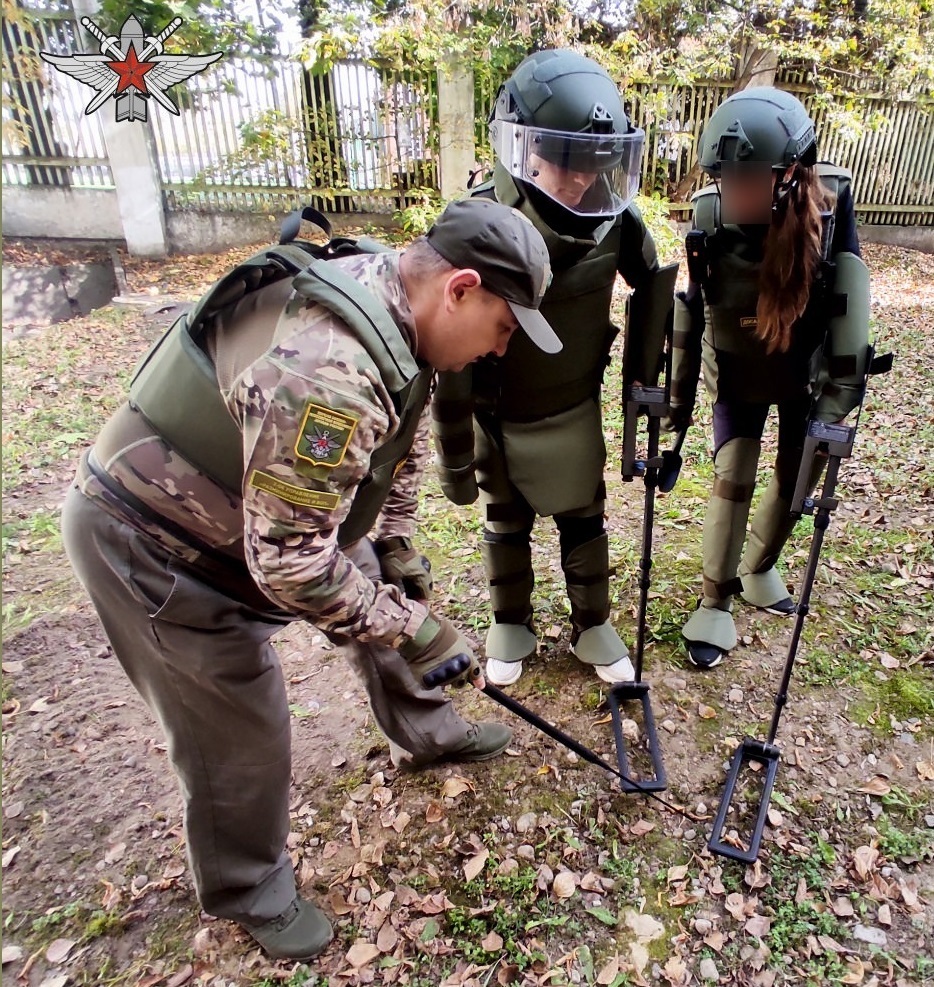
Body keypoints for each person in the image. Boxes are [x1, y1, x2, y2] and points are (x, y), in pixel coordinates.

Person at [60, 198, 561, 962]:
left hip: (262, 505)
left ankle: (428, 729)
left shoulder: (396, 301)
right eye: (503, 326)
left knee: (378, 589)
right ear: (460, 288)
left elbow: (394, 443)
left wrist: (394, 548)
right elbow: (289, 563)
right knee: (240, 719)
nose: (500, 350)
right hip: (154, 540)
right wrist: (415, 628)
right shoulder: (329, 370)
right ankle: (248, 885)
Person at [431, 49, 676, 687]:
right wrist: (453, 454)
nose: (574, 178)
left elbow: (651, 288)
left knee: (583, 514)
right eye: (562, 159)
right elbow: (447, 350)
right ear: (522, 147)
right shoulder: (479, 222)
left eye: (591, 162)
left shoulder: (617, 221)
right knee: (504, 515)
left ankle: (592, 621)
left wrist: (646, 398)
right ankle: (510, 618)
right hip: (497, 408)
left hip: (574, 404)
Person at [664, 87, 870, 669]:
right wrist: (677, 404)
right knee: (733, 476)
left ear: (788, 176)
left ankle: (758, 567)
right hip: (736, 371)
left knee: (795, 479)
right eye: (726, 178)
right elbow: (693, 310)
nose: (734, 192)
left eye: (748, 178)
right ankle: (714, 599)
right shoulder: (709, 217)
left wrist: (836, 405)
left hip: (799, 374)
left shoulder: (829, 212)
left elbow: (848, 304)